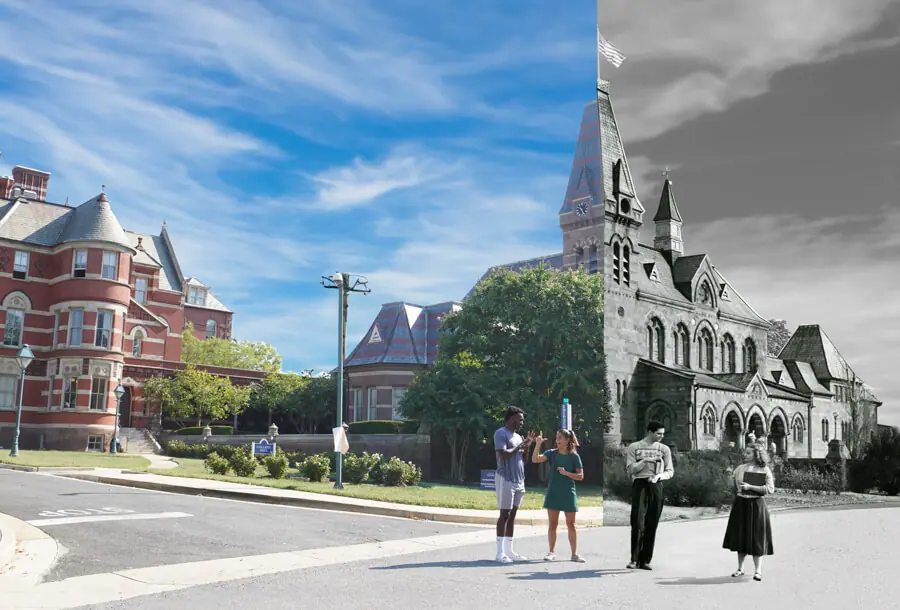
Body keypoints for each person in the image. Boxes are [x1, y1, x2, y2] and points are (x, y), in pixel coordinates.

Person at [624, 421, 674, 570]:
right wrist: (644, 462)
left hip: (656, 485)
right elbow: (630, 469)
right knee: (637, 522)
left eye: (663, 434)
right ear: (650, 432)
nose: (661, 436)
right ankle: (634, 559)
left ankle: (645, 560)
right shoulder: (635, 447)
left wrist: (659, 477)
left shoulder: (664, 449)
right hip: (640, 484)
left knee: (652, 522)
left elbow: (670, 471)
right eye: (659, 433)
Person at [723, 442, 775, 581]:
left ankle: (758, 571)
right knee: (741, 536)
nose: (745, 455)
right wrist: (729, 476)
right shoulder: (740, 468)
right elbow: (732, 487)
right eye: (745, 452)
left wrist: (751, 486)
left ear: (756, 454)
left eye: (748, 453)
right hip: (741, 503)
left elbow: (770, 489)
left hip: (756, 504)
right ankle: (740, 568)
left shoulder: (764, 470)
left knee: (756, 537)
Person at [531, 429, 585, 563]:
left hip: (568, 493)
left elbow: (580, 476)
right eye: (556, 438)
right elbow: (535, 459)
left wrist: (567, 473)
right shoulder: (552, 454)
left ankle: (574, 554)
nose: (557, 440)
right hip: (553, 493)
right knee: (552, 524)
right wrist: (537, 444)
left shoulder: (574, 456)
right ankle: (551, 552)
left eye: (560, 438)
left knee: (571, 524)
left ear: (567, 440)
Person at [493, 406, 534, 563]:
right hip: (506, 478)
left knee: (513, 515)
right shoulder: (501, 433)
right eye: (520, 419)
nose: (522, 422)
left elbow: (523, 460)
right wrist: (520, 446)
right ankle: (499, 553)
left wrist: (527, 447)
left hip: (519, 480)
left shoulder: (518, 437)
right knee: (504, 515)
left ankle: (510, 551)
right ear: (511, 418)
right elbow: (503, 455)